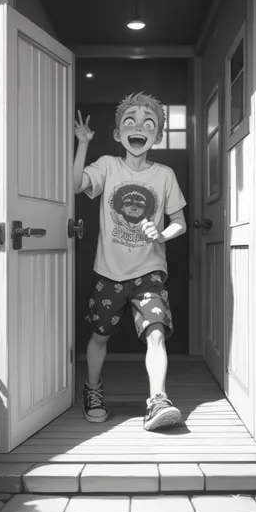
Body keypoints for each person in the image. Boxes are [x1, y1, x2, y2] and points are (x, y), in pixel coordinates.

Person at [73, 91, 187, 431]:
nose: (139, 128)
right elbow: (75, 184)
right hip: (109, 272)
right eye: (130, 122)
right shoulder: (107, 165)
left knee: (156, 332)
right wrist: (82, 144)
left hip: (149, 271)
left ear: (157, 135)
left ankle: (158, 400)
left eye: (149, 123)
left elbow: (179, 220)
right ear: (118, 134)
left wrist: (163, 235)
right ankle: (92, 390)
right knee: (100, 336)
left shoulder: (165, 175)